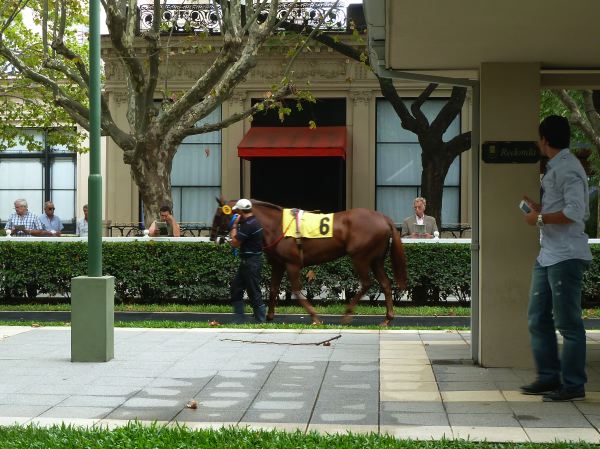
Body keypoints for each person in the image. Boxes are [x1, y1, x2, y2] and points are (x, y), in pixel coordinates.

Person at [520, 115, 592, 402]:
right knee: (538, 317)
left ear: (545, 139)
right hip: (548, 254)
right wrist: (541, 210)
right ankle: (548, 376)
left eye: (539, 138)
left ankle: (573, 384)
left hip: (566, 256)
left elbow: (575, 211)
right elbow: (561, 208)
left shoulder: (569, 169)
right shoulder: (556, 168)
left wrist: (538, 218)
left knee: (568, 322)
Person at [229, 198, 266, 324]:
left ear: (240, 211)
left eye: (237, 212)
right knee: (236, 287)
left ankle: (260, 320)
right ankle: (239, 319)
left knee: (254, 291)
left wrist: (234, 225)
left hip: (251, 262)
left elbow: (235, 243)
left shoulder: (249, 225)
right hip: (248, 261)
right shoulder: (255, 221)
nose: (236, 215)